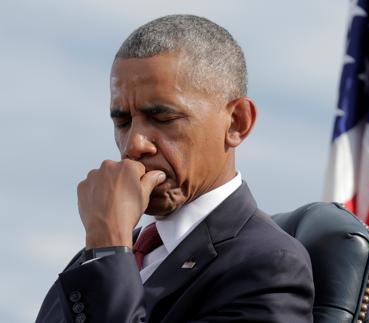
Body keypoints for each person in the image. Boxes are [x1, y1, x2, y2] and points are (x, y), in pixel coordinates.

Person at [35, 14, 314, 323]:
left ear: (236, 122)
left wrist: (108, 249)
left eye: (163, 118)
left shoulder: (270, 266)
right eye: (122, 122)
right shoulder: (93, 260)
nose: (134, 145)